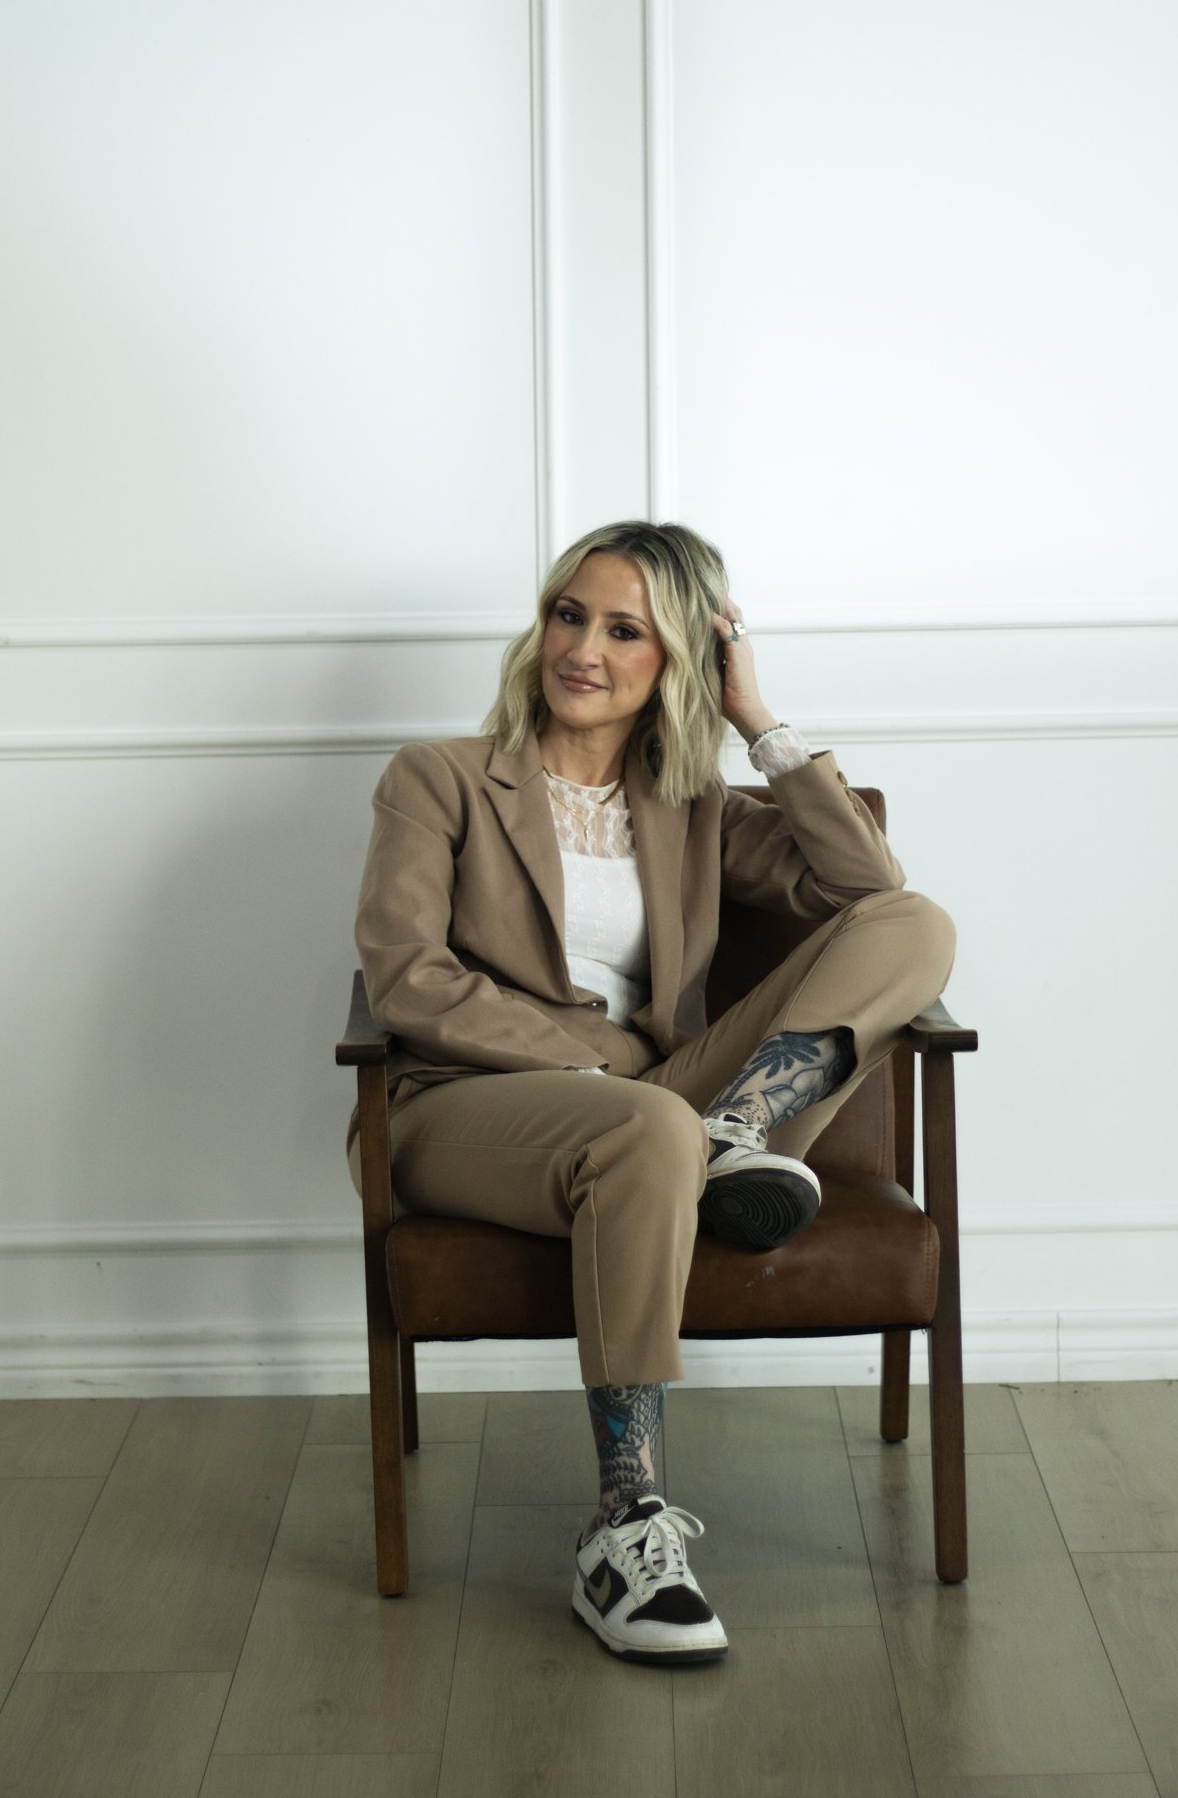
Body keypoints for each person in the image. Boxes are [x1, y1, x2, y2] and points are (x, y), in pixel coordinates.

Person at [351, 520, 954, 1665]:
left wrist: (756, 721)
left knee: (917, 925)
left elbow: (865, 886)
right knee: (644, 1122)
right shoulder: (436, 779)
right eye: (568, 614)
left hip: (665, 1110)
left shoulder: (689, 805)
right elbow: (406, 977)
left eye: (625, 629)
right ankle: (625, 1526)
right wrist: (598, 1062)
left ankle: (736, 1129)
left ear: (677, 659)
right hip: (465, 1107)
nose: (581, 646)